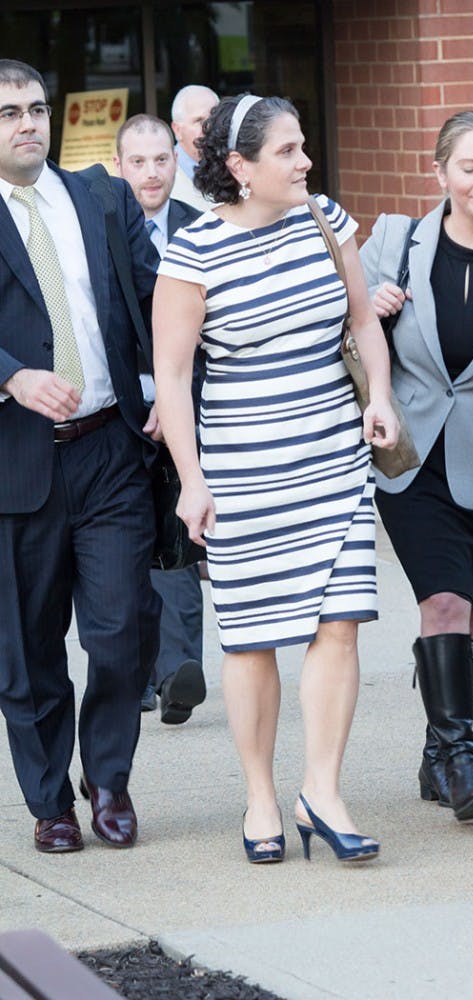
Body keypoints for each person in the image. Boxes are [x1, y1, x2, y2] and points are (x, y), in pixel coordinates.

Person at [152, 93, 399, 864]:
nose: (305, 162)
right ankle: (260, 795)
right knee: (253, 640)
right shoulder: (192, 252)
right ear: (239, 167)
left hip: (333, 454)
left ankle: (320, 791)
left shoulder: (325, 217)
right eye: (287, 151)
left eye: (302, 147)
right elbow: (172, 374)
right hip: (245, 471)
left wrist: (381, 398)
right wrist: (191, 481)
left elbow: (362, 319)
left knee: (341, 623)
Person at [0, 60, 161, 852]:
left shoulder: (102, 197)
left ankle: (110, 778)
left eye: (35, 108)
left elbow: (160, 295)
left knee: (123, 627)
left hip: (108, 451)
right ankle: (49, 802)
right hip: (15, 464)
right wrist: (12, 376)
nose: (27, 123)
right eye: (7, 113)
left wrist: (168, 383)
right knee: (28, 652)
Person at [360, 111, 473, 822]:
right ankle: (462, 758)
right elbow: (343, 330)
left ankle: (436, 751)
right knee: (444, 604)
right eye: (468, 167)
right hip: (412, 455)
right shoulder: (397, 242)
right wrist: (368, 309)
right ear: (440, 173)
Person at [114, 113, 207, 725]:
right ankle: (141, 672)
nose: (151, 173)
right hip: (120, 411)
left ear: (178, 163)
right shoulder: (99, 233)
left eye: (161, 160)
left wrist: (175, 404)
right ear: (118, 167)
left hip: (184, 406)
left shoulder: (200, 231)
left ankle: (178, 674)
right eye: (138, 162)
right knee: (127, 546)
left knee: (181, 537)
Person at [170, 85, 218, 213]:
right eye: (199, 121)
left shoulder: (236, 169)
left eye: (214, 119)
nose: (208, 128)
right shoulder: (163, 176)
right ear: (177, 130)